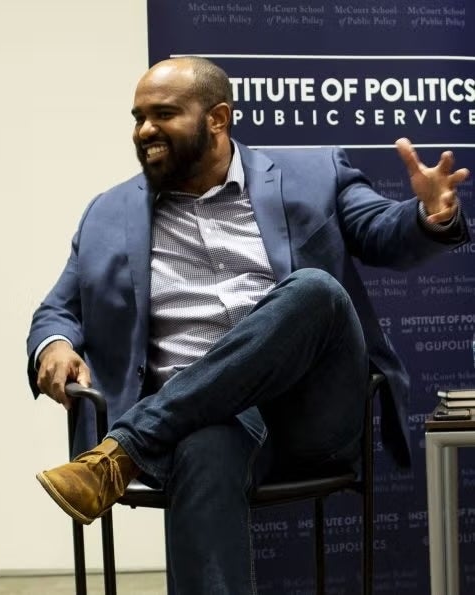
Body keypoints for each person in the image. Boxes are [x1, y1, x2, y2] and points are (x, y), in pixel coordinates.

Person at [28, 57, 469, 594]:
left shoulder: (314, 173)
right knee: (204, 447)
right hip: (202, 426)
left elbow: (381, 231)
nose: (144, 130)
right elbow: (58, 309)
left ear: (217, 118)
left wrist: (429, 216)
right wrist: (54, 345)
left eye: (163, 114)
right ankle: (143, 440)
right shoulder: (108, 212)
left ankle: (126, 446)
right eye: (138, 117)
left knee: (315, 290)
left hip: (307, 413)